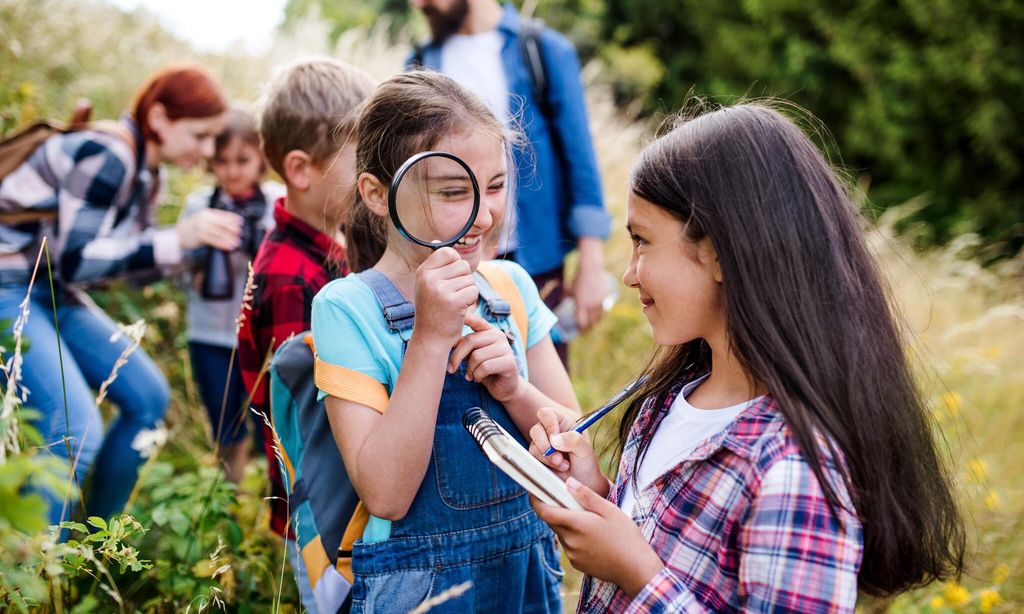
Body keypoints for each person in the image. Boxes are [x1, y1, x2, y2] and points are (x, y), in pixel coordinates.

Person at [529, 103, 967, 612]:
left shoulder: (795, 471)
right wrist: (596, 495)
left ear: (716, 252)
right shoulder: (669, 400)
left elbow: (648, 567)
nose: (629, 273)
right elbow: (672, 543)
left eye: (642, 242)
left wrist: (636, 574)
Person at [311, 71, 580, 613]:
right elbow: (386, 494)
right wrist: (429, 339)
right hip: (420, 592)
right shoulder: (345, 308)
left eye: (498, 185)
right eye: (456, 192)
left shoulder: (511, 286)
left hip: (526, 574)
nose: (485, 216)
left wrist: (514, 390)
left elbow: (574, 451)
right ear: (376, 195)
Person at [0, 64, 237, 527]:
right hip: (9, 284)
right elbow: (77, 261)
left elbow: (118, 268)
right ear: (160, 117)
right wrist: (176, 238)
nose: (207, 151)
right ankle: (37, 573)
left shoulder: (148, 176)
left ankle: (93, 542)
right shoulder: (110, 154)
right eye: (200, 135)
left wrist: (190, 255)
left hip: (49, 288)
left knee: (148, 397)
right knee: (70, 429)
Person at [235, 57, 375, 613]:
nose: (373, 177)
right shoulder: (293, 278)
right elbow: (313, 421)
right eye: (360, 160)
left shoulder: (322, 249)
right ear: (301, 169)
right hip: (324, 518)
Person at [409, 0, 611, 365]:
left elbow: (580, 160)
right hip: (455, 261)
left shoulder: (543, 51)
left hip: (538, 262)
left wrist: (592, 265)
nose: (418, 4)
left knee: (544, 388)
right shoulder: (421, 65)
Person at [179, 106, 282, 484]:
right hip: (210, 333)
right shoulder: (199, 206)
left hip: (263, 335)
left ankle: (275, 507)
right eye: (222, 161)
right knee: (225, 425)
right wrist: (199, 269)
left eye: (243, 160)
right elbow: (176, 270)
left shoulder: (275, 203)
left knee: (271, 429)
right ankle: (229, 503)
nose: (233, 170)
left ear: (261, 159)